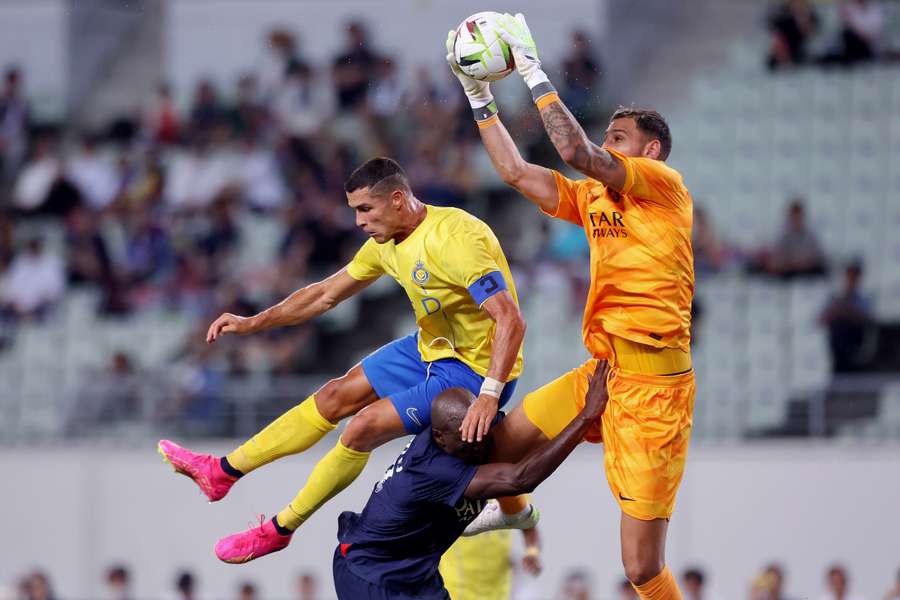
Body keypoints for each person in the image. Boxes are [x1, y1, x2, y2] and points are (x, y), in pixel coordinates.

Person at [159, 157, 533, 563]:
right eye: (355, 210)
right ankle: (222, 473)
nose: (358, 221)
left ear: (397, 199)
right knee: (335, 395)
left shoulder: (456, 239)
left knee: (362, 427)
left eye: (364, 209)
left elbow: (511, 319)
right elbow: (324, 294)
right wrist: (253, 322)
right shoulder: (385, 243)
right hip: (430, 347)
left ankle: (279, 528)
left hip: (475, 371)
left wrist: (489, 396)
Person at [447, 13, 696, 599]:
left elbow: (575, 150)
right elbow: (512, 170)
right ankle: (515, 512)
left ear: (650, 150)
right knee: (498, 446)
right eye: (607, 134)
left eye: (619, 137)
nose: (607, 142)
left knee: (641, 569)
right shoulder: (593, 199)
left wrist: (532, 69)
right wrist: (479, 94)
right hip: (604, 371)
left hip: (657, 393)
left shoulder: (664, 188)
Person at [331, 362, 610, 600]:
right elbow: (520, 479)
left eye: (481, 432)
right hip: (368, 573)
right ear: (438, 437)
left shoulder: (469, 428)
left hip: (417, 573)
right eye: (467, 442)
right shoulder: (433, 468)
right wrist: (585, 417)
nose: (478, 445)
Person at [439, 522, 541, 600]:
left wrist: (532, 552)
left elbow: (529, 525)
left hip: (498, 594)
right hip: (455, 593)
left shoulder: (509, 495)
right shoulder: (453, 496)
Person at [820, 262, 873, 372]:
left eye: (854, 276)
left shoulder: (865, 298)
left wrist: (845, 310)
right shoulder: (836, 298)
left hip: (855, 341)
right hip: (838, 347)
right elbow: (823, 319)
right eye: (850, 276)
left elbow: (865, 319)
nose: (851, 279)